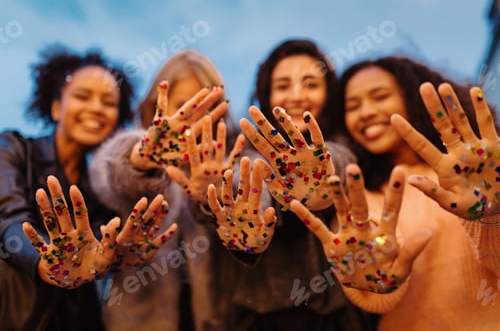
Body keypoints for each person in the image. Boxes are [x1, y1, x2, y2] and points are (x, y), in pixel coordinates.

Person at [289, 56, 500, 330]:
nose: (365, 112)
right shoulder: (357, 197)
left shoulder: (480, 175)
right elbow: (374, 278)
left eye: (380, 96)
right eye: (353, 106)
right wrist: (375, 275)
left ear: (412, 99)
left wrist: (493, 214)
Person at [0, 44, 177, 331]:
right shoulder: (13, 149)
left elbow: (100, 250)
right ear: (56, 107)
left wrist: (115, 257)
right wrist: (44, 262)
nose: (96, 108)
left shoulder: (102, 185)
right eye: (83, 96)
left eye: (109, 102)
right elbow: (8, 220)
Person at [205, 38, 376, 330]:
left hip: (336, 319)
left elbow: (338, 161)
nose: (297, 96)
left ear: (329, 92)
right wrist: (254, 214)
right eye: (283, 85)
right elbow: (242, 181)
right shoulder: (244, 151)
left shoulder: (344, 149)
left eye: (310, 84)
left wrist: (320, 186)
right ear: (266, 93)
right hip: (254, 320)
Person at [89, 49, 245, 331]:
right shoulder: (134, 145)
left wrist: (215, 192)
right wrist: (142, 159)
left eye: (206, 106)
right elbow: (110, 173)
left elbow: (246, 210)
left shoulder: (226, 163)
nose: (196, 117)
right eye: (184, 104)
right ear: (156, 107)